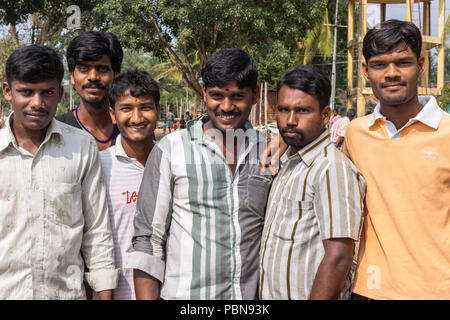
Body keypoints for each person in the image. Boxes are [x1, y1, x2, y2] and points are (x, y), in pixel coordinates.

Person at [126, 48, 272, 300]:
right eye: (216, 95)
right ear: (204, 93)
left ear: (255, 95)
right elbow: (148, 240)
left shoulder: (268, 151)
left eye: (238, 96)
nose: (226, 107)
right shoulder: (172, 149)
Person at [0, 44, 118, 299]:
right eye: (26, 92)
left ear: (60, 94)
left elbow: (97, 233)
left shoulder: (81, 147)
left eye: (47, 93)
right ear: (8, 91)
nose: (37, 103)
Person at [344, 20, 450, 300]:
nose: (391, 73)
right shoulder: (356, 134)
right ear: (365, 71)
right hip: (368, 290)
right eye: (379, 65)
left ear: (422, 65)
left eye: (403, 62)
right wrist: (281, 141)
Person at [259, 66, 365, 300]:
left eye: (303, 111)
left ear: (325, 115)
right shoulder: (288, 161)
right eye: (283, 110)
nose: (290, 120)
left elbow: (339, 257)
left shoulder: (331, 169)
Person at [99, 69, 160, 300]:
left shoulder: (174, 165)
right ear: (113, 115)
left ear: (157, 111)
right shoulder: (100, 166)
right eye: (126, 109)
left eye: (145, 107)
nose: (136, 118)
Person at [56, 31, 123, 151]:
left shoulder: (132, 129)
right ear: (72, 76)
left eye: (102, 68)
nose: (93, 76)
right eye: (84, 68)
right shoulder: (55, 130)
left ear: (116, 75)